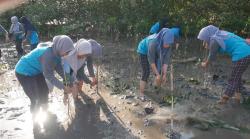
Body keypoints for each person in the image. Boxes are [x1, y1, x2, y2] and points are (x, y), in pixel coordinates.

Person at [15, 35, 75, 114]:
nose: (67, 54)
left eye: (69, 52)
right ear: (60, 47)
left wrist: (70, 80)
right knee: (35, 98)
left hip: (37, 71)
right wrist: (63, 87)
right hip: (24, 72)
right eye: (66, 52)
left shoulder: (57, 54)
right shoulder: (48, 55)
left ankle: (45, 112)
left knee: (44, 91)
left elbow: (61, 70)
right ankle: (35, 121)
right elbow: (49, 75)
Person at [197, 25, 250, 104]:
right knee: (237, 76)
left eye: (204, 39)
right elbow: (238, 39)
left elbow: (212, 55)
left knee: (233, 78)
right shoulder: (221, 33)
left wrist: (205, 64)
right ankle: (237, 97)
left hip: (241, 55)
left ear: (207, 35)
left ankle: (225, 98)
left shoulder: (215, 40)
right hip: (246, 52)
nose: (204, 41)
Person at [137, 27, 181, 101]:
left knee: (160, 72)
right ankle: (141, 92)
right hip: (143, 50)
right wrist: (157, 75)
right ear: (162, 38)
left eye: (169, 44)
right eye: (166, 43)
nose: (167, 45)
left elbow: (166, 61)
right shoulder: (153, 42)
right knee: (146, 72)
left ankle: (156, 89)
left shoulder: (168, 45)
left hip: (157, 51)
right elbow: (151, 61)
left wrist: (164, 74)